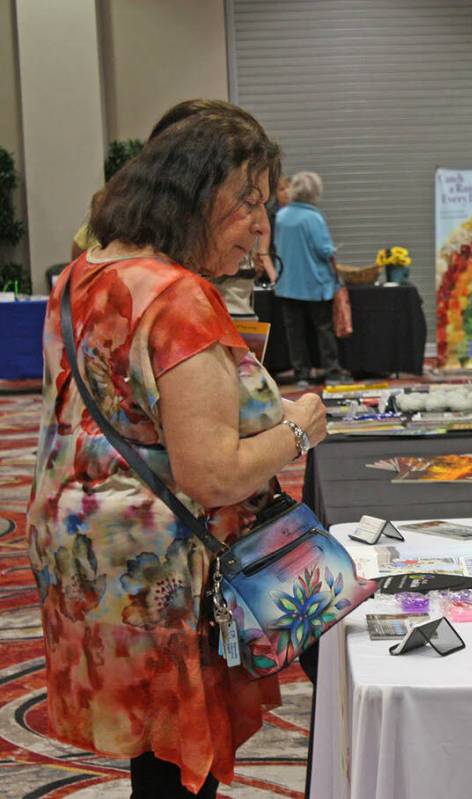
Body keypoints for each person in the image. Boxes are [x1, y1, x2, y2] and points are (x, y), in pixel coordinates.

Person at [26, 104, 328, 797]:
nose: (261, 224)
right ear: (194, 193)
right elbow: (212, 472)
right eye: (247, 202)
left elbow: (129, 414)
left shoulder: (84, 274)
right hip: (161, 570)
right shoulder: (178, 297)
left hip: (83, 551)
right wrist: (302, 426)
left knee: (153, 754)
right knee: (177, 772)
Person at [273, 170, 350, 386]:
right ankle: (332, 370)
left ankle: (302, 374)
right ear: (315, 192)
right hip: (315, 283)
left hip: (287, 284)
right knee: (323, 328)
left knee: (294, 332)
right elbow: (324, 250)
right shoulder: (314, 218)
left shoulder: (281, 216)